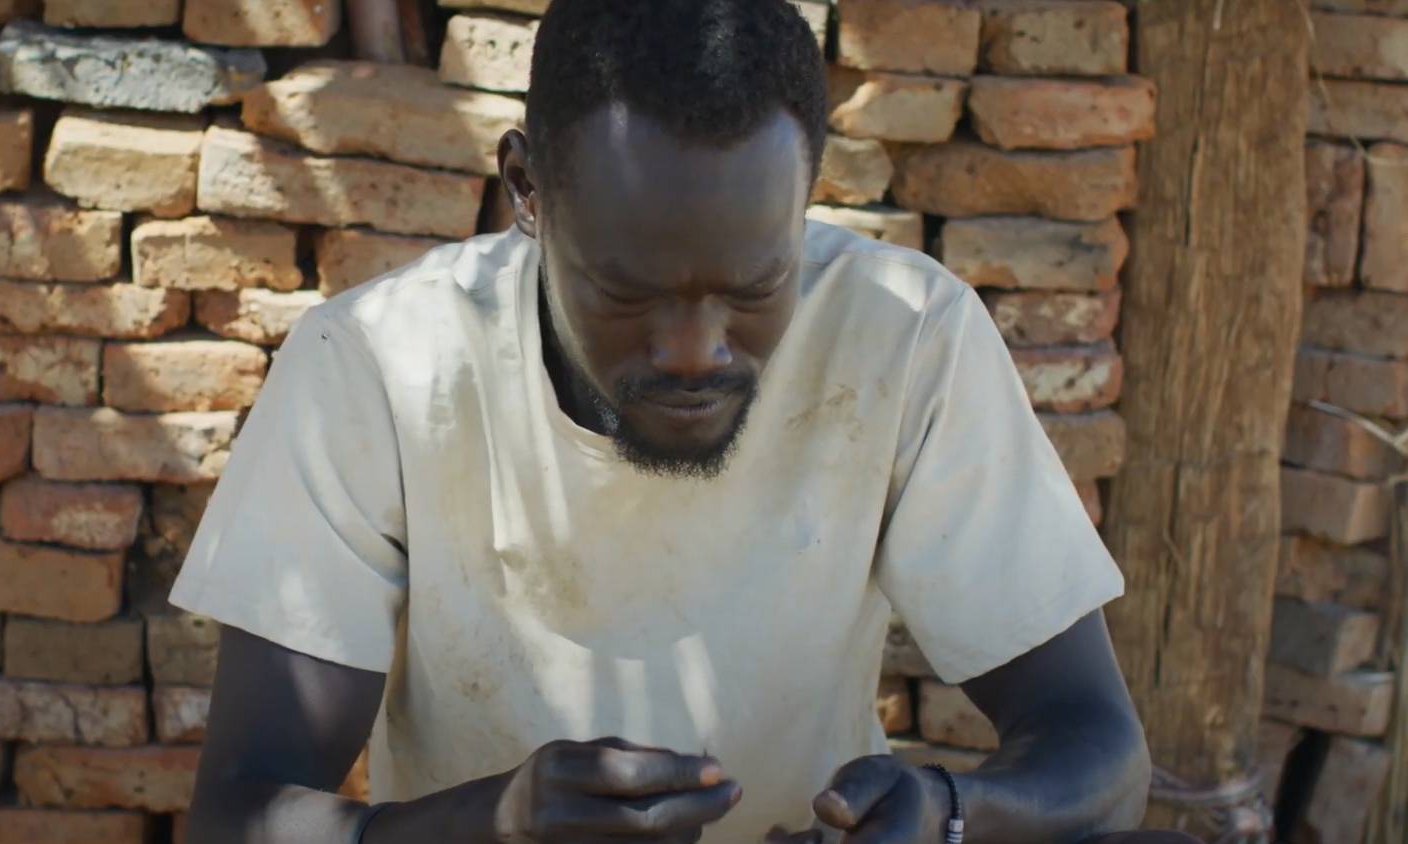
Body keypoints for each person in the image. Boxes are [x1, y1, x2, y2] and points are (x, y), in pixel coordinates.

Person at [171, 1, 1184, 841]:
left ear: (805, 202)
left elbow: (1100, 757)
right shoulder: (379, 369)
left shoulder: (903, 337)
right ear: (526, 189)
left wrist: (956, 810)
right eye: (627, 289)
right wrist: (498, 822)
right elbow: (238, 818)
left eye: (756, 287)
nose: (697, 351)